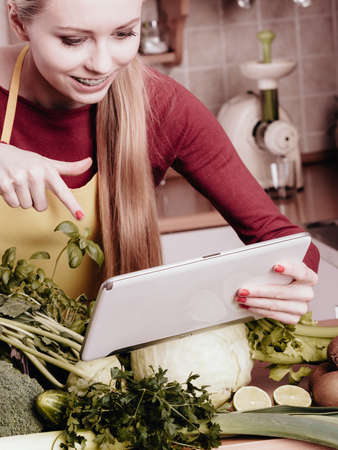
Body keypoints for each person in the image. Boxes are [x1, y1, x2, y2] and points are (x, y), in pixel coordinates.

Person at [0, 0, 319, 324]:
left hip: (97, 367)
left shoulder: (161, 106)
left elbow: (283, 239)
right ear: (19, 22)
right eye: (73, 40)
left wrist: (292, 280)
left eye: (123, 34)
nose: (101, 64)